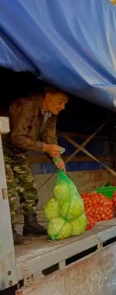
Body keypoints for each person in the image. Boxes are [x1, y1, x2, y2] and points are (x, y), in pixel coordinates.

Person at [3, 86, 68, 245]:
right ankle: (8, 231)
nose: (62, 107)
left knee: (29, 186)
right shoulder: (28, 105)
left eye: (65, 104)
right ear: (48, 95)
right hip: (2, 148)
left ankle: (30, 224)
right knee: (8, 190)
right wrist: (45, 148)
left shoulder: (51, 115)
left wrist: (57, 158)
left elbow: (50, 139)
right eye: (61, 102)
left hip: (17, 152)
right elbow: (16, 137)